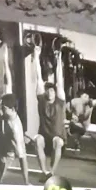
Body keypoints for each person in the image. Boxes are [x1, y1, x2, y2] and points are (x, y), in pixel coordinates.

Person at [29, 42, 67, 177]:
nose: (50, 92)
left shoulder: (60, 101)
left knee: (58, 142)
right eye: (48, 90)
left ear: (55, 92)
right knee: (37, 139)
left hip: (58, 138)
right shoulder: (42, 101)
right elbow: (39, 77)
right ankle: (44, 171)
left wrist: (58, 59)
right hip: (44, 137)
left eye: (52, 90)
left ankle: (52, 172)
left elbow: (60, 81)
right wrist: (36, 56)